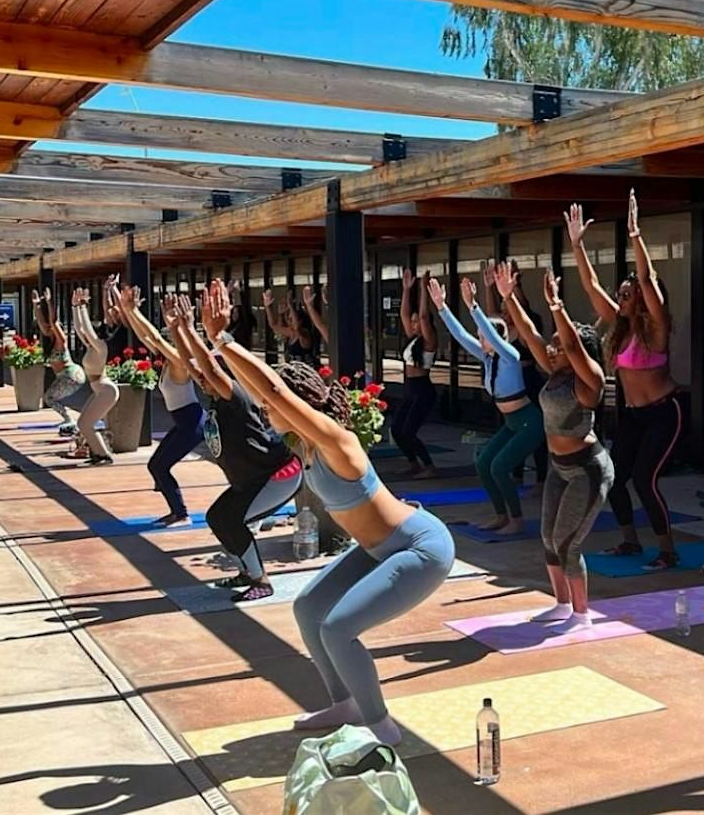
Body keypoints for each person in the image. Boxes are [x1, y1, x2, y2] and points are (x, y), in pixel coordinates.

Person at [201, 278, 454, 745]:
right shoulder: (305, 447)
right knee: (308, 608)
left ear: (303, 406)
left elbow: (274, 392)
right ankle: (348, 702)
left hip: (420, 547)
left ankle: (382, 728)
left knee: (339, 628)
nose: (264, 411)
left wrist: (223, 340)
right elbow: (265, 393)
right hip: (379, 548)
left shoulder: (337, 442)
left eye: (270, 407)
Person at [566, 192, 684, 569]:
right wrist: (576, 245)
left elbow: (647, 278)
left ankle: (667, 550)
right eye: (622, 293)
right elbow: (590, 285)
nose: (623, 297)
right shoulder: (618, 327)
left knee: (645, 479)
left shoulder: (658, 329)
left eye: (629, 294)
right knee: (615, 480)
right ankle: (630, 542)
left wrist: (635, 234)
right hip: (632, 415)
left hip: (665, 412)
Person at [495, 262, 611, 631]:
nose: (554, 350)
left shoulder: (590, 380)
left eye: (561, 347)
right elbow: (530, 334)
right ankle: (561, 605)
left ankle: (582, 614)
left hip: (588, 469)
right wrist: (508, 297)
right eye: (555, 347)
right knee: (548, 537)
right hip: (560, 467)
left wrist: (557, 306)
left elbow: (575, 346)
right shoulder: (555, 371)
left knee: (568, 543)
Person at [168, 292, 303, 601]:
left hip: (278, 474)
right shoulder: (217, 396)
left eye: (210, 377)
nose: (203, 381)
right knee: (218, 517)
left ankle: (261, 581)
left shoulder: (236, 396)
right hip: (253, 478)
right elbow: (192, 367)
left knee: (232, 520)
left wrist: (192, 329)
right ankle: (247, 571)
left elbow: (212, 371)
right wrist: (177, 330)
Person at [429, 274, 544, 535]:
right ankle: (501, 515)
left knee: (499, 467)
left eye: (483, 336)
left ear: (497, 338)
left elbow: (491, 332)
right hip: (512, 423)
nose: (479, 340)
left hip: (529, 422)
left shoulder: (510, 355)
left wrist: (474, 306)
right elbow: (460, 335)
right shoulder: (488, 357)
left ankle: (516, 520)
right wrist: (442, 307)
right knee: (483, 463)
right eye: (479, 337)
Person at [119, 284, 206, 527]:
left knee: (159, 466)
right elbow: (146, 336)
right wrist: (129, 311)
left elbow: (155, 337)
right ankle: (177, 512)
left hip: (193, 423)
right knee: (157, 466)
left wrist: (134, 310)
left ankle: (181, 514)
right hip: (184, 423)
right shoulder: (170, 362)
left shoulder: (180, 363)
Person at [483, 260, 549, 495]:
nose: (503, 309)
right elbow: (490, 319)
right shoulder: (501, 330)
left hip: (528, 381)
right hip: (508, 385)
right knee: (511, 430)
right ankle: (516, 474)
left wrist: (513, 288)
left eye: (507, 305)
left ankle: (541, 480)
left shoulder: (524, 327)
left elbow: (524, 322)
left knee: (534, 433)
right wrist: (490, 288)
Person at [390, 269, 439, 478]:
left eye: (416, 321)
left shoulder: (429, 340)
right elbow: (403, 314)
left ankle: (429, 466)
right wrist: (406, 290)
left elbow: (424, 315)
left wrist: (423, 290)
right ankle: (413, 463)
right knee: (396, 430)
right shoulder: (412, 338)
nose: (413, 323)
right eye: (412, 321)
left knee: (409, 431)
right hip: (409, 388)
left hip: (422, 389)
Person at [71, 287, 117, 466]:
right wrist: (76, 306)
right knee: (82, 423)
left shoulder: (101, 348)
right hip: (100, 390)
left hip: (107, 390)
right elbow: (79, 328)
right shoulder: (91, 348)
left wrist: (83, 306)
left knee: (85, 424)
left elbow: (88, 331)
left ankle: (103, 455)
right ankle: (99, 453)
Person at [30, 287, 84, 439]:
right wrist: (36, 305)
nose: (48, 330)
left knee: (49, 398)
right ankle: (69, 419)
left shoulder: (61, 342)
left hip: (71, 375)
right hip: (66, 376)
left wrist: (49, 302)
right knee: (50, 398)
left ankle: (69, 420)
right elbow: (43, 323)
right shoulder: (50, 340)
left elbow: (53, 322)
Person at [263, 288, 319, 363]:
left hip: (306, 370)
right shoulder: (291, 332)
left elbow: (297, 328)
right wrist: (267, 306)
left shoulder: (304, 333)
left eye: (291, 319)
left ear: (300, 321)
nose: (289, 321)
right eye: (288, 318)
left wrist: (290, 306)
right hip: (294, 369)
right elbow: (273, 325)